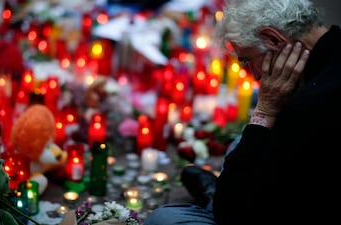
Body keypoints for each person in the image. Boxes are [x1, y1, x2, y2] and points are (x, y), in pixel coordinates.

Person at [143, 0, 341, 224]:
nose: (253, 75)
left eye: (247, 59)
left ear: (274, 39)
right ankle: (220, 191)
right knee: (242, 142)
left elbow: (233, 214)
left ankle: (216, 194)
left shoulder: (310, 104)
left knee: (164, 218)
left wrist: (265, 112)